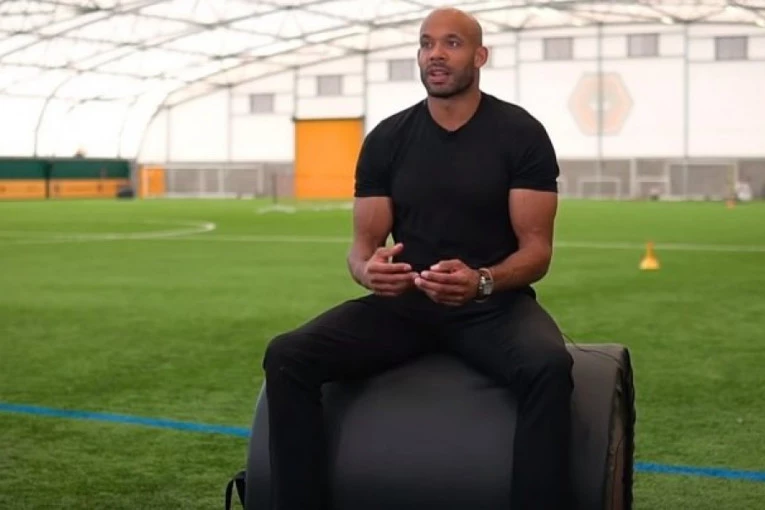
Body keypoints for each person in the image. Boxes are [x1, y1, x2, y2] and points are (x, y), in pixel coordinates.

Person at [262, 7, 573, 510]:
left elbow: (537, 252)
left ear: (480, 56)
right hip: (405, 307)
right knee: (286, 356)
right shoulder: (387, 139)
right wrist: (369, 272)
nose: (435, 55)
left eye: (452, 43)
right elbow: (362, 250)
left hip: (492, 306)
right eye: (427, 44)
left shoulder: (520, 133)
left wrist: (482, 281)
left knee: (549, 368)